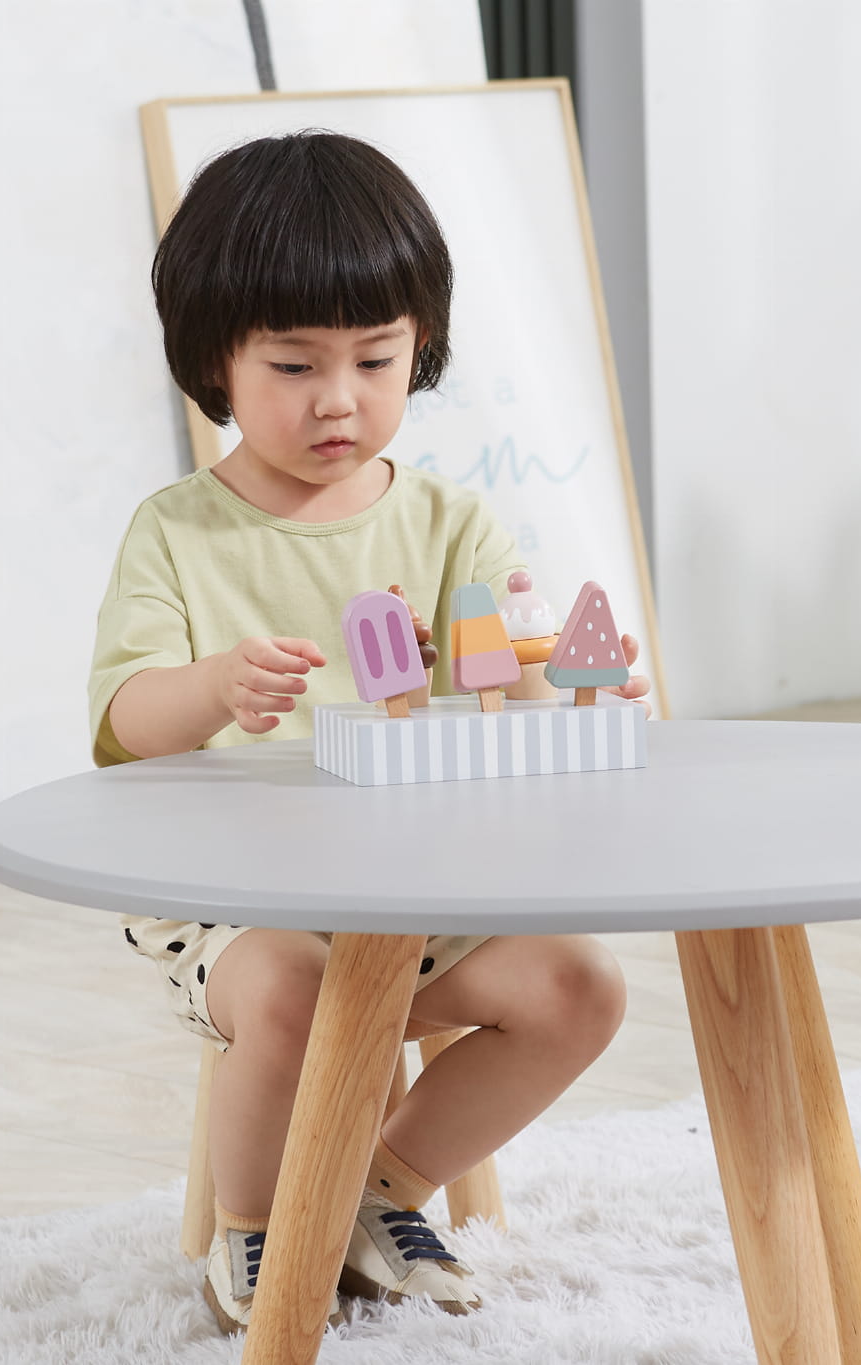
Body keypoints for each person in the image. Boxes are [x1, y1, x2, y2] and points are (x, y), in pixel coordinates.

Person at [88, 129, 646, 1335]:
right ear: (215, 360)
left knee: (580, 986)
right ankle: (263, 1226)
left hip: (416, 895)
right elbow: (126, 721)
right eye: (293, 364)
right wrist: (213, 687)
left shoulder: (450, 525)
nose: (337, 398)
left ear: (420, 347)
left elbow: (509, 696)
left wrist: (567, 692)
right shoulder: (178, 532)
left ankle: (378, 1192)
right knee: (294, 986)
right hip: (230, 900)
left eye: (376, 358)